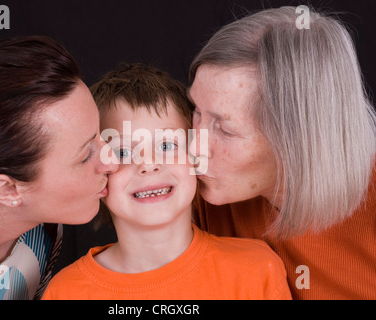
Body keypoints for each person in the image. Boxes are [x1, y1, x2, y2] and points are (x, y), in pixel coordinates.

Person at [42, 63, 292, 300]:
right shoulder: (67, 291)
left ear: (196, 155)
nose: (149, 164)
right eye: (122, 153)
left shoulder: (257, 269)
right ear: (99, 171)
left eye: (166, 145)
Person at [188, 6, 376, 299]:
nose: (192, 147)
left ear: (299, 139)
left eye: (224, 130)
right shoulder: (193, 191)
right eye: (196, 111)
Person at [0, 36, 117, 299]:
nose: (112, 161)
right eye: (86, 154)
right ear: (7, 189)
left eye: (100, 134)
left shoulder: (43, 231)